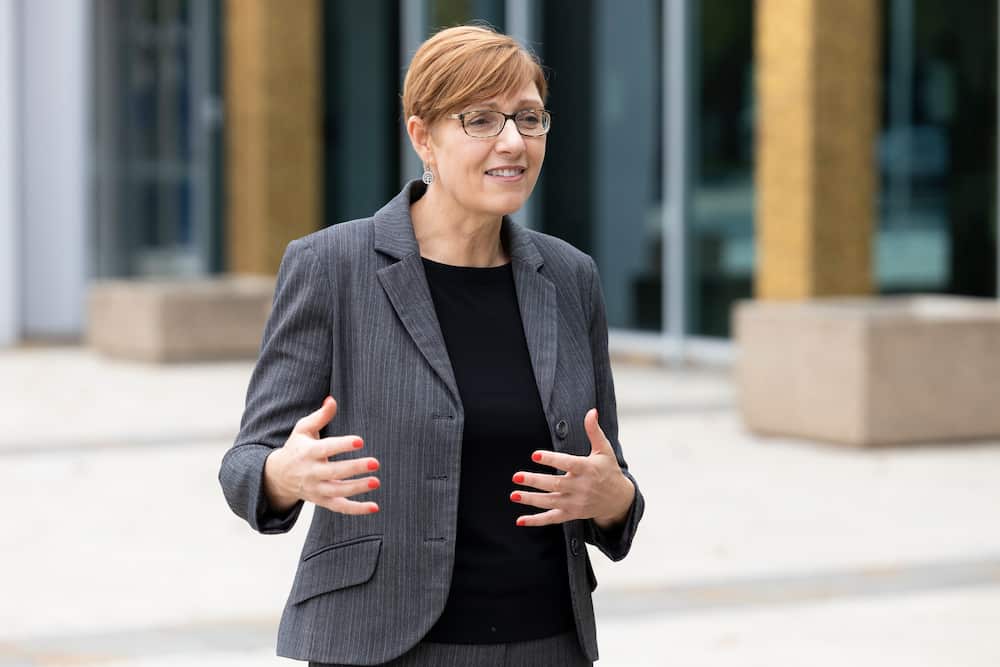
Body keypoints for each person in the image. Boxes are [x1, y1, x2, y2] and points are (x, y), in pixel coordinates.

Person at [218, 24, 644, 667]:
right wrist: (282, 473)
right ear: (423, 137)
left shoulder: (569, 277)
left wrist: (616, 502)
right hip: (381, 643)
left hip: (548, 642)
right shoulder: (332, 265)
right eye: (480, 120)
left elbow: (606, 475)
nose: (513, 141)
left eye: (529, 119)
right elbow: (245, 464)